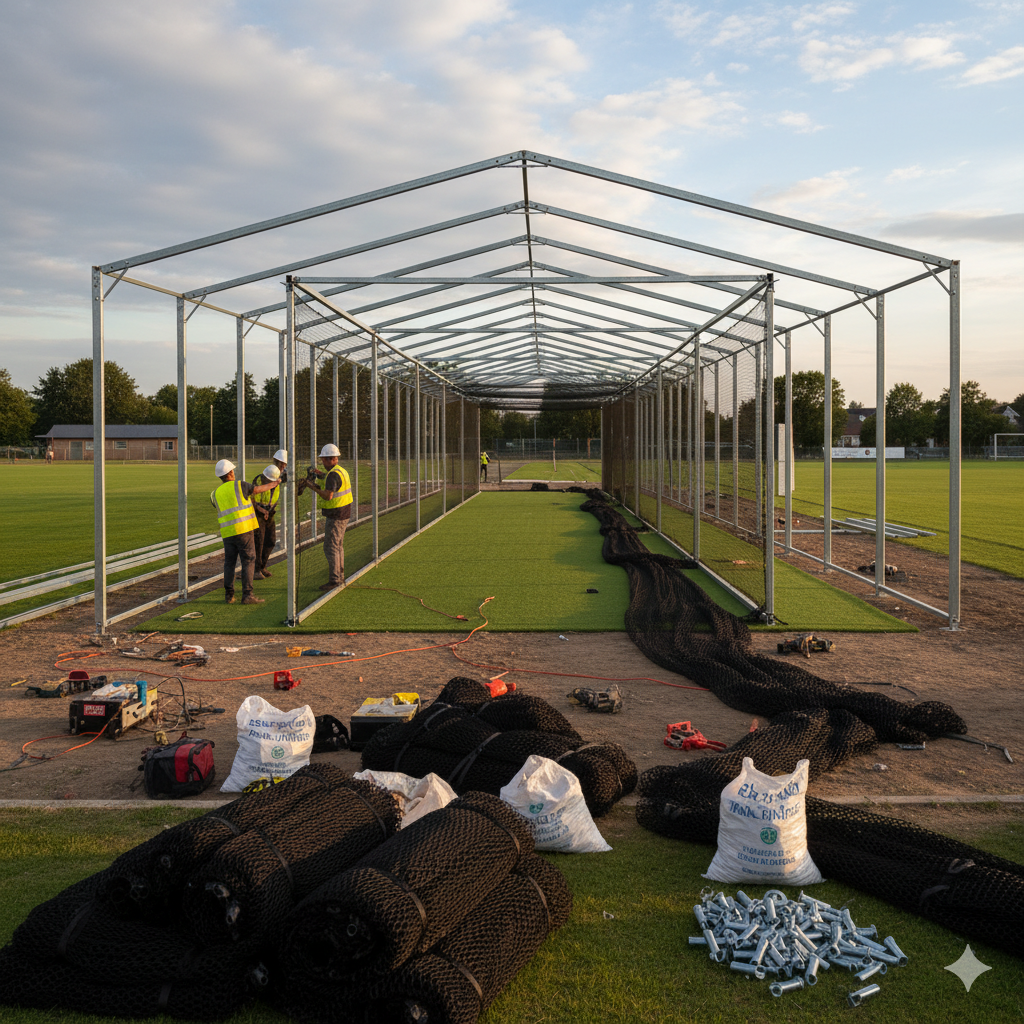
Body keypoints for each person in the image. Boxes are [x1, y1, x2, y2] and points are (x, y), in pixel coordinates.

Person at [209, 459, 278, 604]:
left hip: (228, 533)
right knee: (248, 561)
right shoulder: (240, 485)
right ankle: (247, 595)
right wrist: (275, 483)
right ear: (231, 472)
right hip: (244, 530)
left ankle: (229, 595)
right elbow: (258, 490)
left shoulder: (215, 493)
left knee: (229, 563)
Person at [308, 443, 353, 590]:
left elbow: (328, 495)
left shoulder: (333, 474)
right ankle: (339, 576)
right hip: (343, 513)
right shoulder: (340, 471)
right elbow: (329, 478)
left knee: (330, 546)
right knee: (338, 545)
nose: (322, 462)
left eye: (323, 460)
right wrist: (319, 474)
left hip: (336, 515)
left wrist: (312, 486)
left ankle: (335, 580)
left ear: (330, 459)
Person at [252, 464, 282, 579]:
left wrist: (270, 510)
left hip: (269, 514)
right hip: (258, 514)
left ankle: (262, 566)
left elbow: (275, 497)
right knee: (258, 542)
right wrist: (261, 510)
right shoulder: (257, 483)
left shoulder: (276, 483)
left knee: (271, 540)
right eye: (268, 480)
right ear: (264, 476)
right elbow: (251, 500)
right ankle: (256, 570)